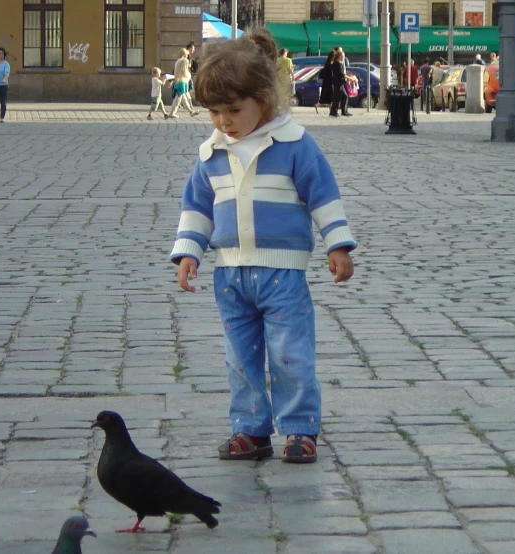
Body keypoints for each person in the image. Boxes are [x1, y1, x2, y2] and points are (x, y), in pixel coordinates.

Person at [169, 28, 356, 465]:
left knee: (290, 354)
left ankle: (298, 429)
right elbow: (197, 207)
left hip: (282, 275)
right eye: (214, 112)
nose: (223, 121)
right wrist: (188, 252)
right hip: (230, 275)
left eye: (233, 110)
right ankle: (251, 429)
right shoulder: (211, 153)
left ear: (264, 102)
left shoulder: (293, 145)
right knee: (240, 357)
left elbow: (323, 195)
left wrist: (337, 245)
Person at [168, 48, 198, 117]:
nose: (187, 56)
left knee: (183, 99)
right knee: (177, 100)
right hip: (182, 82)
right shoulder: (183, 61)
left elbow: (177, 72)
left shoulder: (177, 61)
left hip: (179, 82)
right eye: (187, 55)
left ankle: (191, 111)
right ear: (184, 54)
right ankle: (172, 113)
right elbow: (184, 72)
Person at [329, 49, 353, 117]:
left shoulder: (339, 63)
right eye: (342, 56)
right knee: (337, 98)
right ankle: (334, 112)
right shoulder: (336, 64)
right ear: (339, 56)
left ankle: (343, 111)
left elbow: (342, 73)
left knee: (343, 97)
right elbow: (341, 74)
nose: (343, 57)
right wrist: (350, 78)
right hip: (338, 83)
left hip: (340, 83)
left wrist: (349, 76)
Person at [315, 48, 338, 113]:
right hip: (329, 83)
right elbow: (330, 74)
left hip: (326, 83)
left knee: (328, 99)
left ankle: (330, 111)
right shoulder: (330, 64)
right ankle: (331, 111)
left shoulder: (327, 63)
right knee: (330, 98)